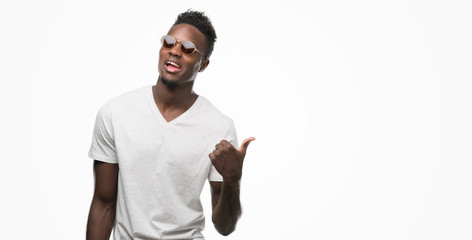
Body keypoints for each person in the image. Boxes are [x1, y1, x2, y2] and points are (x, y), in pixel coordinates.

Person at [85, 10, 255, 240]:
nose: (174, 51)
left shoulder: (219, 128)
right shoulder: (116, 113)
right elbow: (103, 202)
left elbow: (225, 227)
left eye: (188, 48)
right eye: (169, 42)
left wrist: (233, 180)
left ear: (203, 64)